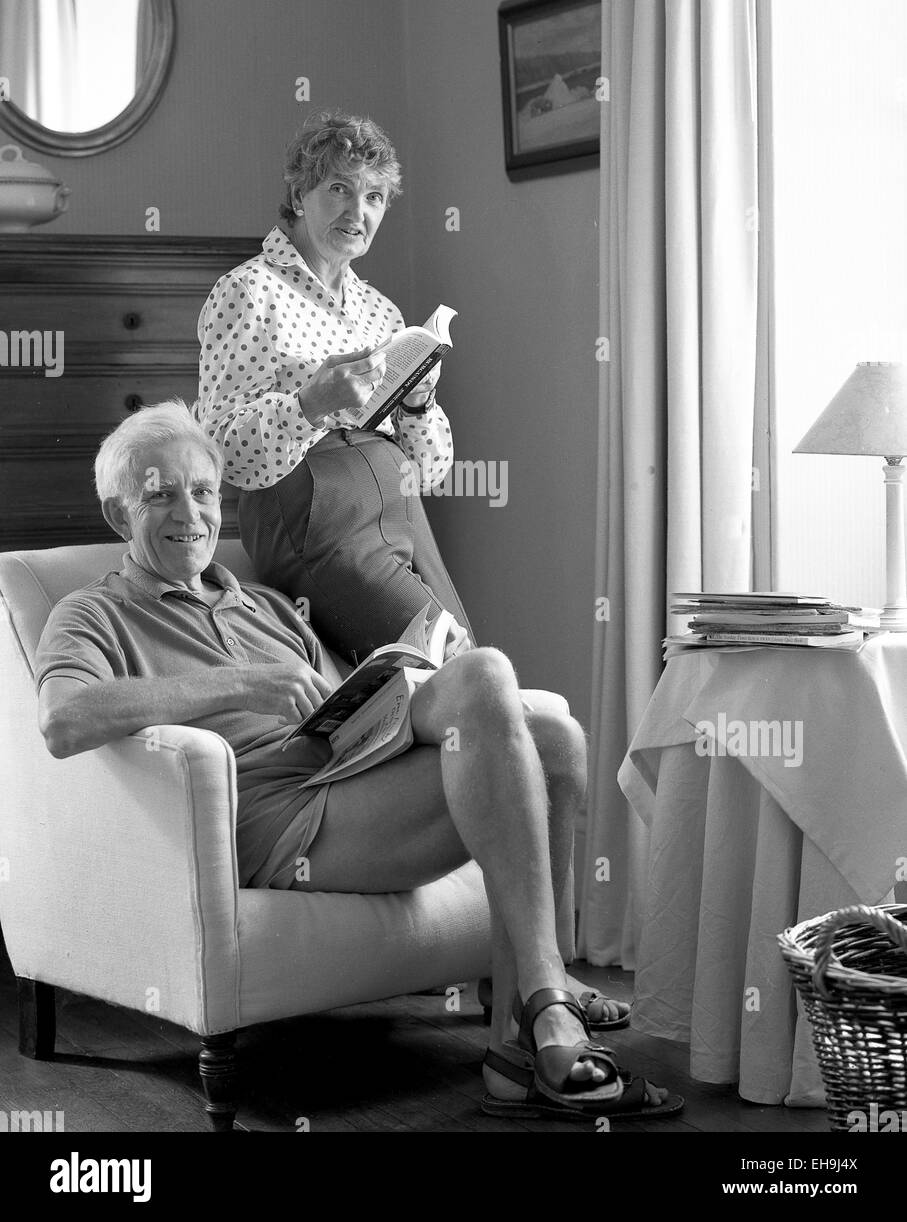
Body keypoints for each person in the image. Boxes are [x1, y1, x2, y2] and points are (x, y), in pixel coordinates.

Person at [34, 402, 681, 1123]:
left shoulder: (270, 608)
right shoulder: (93, 613)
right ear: (121, 515)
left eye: (203, 491)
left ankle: (514, 1037)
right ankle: (549, 1004)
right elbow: (65, 720)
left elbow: (333, 711)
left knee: (551, 735)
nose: (189, 512)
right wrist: (239, 684)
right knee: (486, 676)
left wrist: (390, 692)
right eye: (160, 494)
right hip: (274, 824)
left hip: (344, 776)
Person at [194, 110, 471, 664]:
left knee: (482, 667)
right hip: (315, 507)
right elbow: (220, 446)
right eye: (339, 189)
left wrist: (417, 400)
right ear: (300, 195)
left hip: (402, 507)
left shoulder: (380, 311)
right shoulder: (248, 291)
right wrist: (308, 405)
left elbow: (433, 471)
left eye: (373, 198)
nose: (357, 211)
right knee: (457, 667)